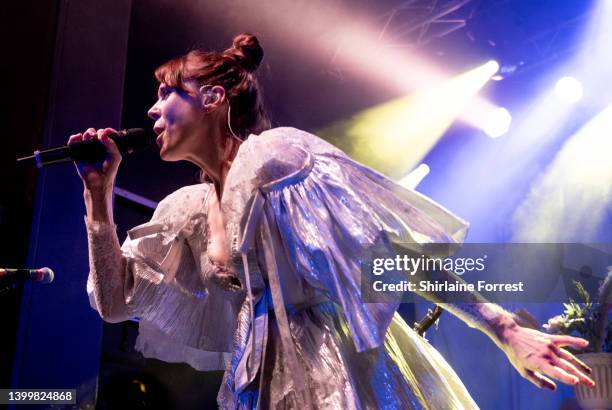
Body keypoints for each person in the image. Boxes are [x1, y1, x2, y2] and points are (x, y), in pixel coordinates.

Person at [70, 33, 595, 409]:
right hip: (260, 380)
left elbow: (387, 256)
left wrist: (501, 326)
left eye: (167, 93)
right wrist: (99, 194)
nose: (152, 110)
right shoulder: (186, 210)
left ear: (213, 98)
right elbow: (116, 304)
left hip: (339, 371)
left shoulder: (276, 160)